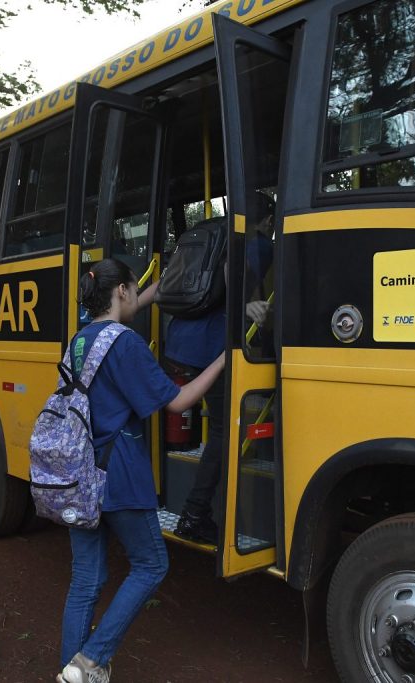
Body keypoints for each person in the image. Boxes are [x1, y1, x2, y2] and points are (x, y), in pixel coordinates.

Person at [58, 258, 225, 683]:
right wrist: (226, 358)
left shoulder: (79, 340)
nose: (139, 296)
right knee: (151, 565)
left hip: (79, 473)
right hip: (120, 472)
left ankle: (71, 672)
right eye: (136, 289)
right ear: (121, 292)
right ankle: (93, 659)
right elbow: (178, 401)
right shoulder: (127, 343)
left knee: (85, 581)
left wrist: (157, 286)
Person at [167, 192, 276, 544]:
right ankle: (195, 514)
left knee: (216, 424)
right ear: (269, 222)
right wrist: (245, 306)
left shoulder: (212, 232)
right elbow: (233, 273)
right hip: (210, 347)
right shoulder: (258, 242)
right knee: (222, 431)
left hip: (180, 339)